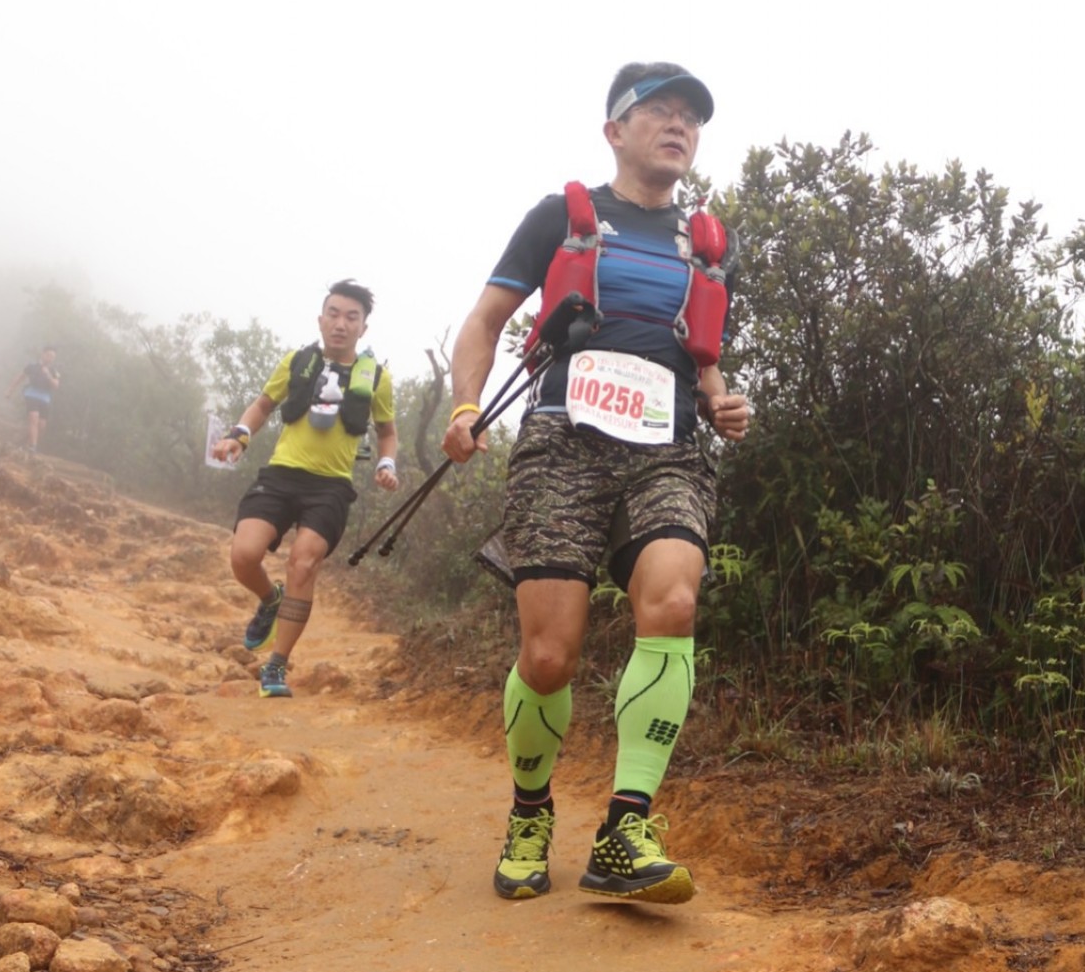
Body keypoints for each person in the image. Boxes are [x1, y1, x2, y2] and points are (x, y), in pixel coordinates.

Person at [442, 61, 750, 905]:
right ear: (615, 131)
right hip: (563, 441)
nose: (679, 125)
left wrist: (721, 404)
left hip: (667, 446)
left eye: (691, 117)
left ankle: (625, 827)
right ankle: (530, 813)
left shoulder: (706, 243)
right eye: (660, 111)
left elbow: (703, 357)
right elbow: (485, 322)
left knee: (675, 601)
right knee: (548, 656)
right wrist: (465, 407)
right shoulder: (561, 218)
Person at [212, 280, 398, 698]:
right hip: (281, 475)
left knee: (304, 564)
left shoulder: (376, 378)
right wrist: (238, 436)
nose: (340, 324)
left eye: (351, 317)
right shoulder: (297, 362)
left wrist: (387, 463)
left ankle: (276, 664)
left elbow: (388, 433)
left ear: (363, 328)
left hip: (330, 486)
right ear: (320, 319)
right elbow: (263, 405)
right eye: (334, 314)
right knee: (243, 556)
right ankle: (270, 599)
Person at [7, 346, 59, 452]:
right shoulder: (32, 366)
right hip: (32, 394)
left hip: (45, 398)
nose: (50, 358)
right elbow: (20, 378)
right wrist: (10, 390)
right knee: (34, 418)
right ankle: (33, 447)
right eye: (48, 355)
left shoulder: (54, 371)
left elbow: (55, 385)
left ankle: (26, 444)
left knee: (41, 426)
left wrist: (48, 374)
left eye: (53, 357)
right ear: (43, 354)